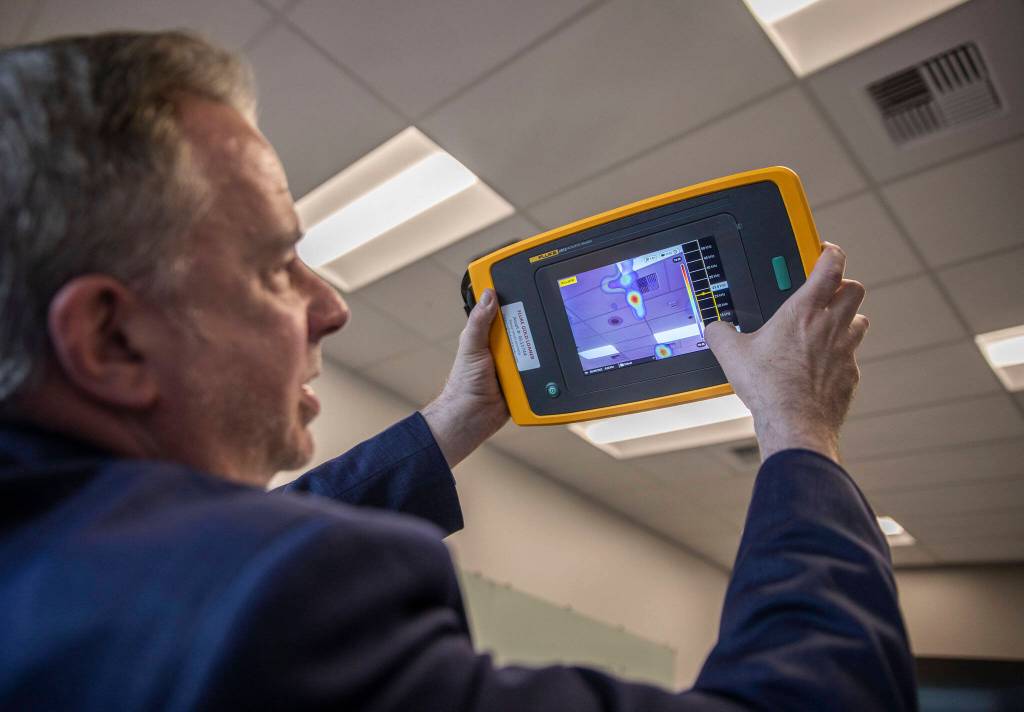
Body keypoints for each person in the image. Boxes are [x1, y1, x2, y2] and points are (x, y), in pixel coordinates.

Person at [0, 31, 916, 711]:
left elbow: (190, 564)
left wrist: (456, 418)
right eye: (278, 265)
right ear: (111, 339)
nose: (331, 306)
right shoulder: (273, 606)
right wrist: (799, 430)